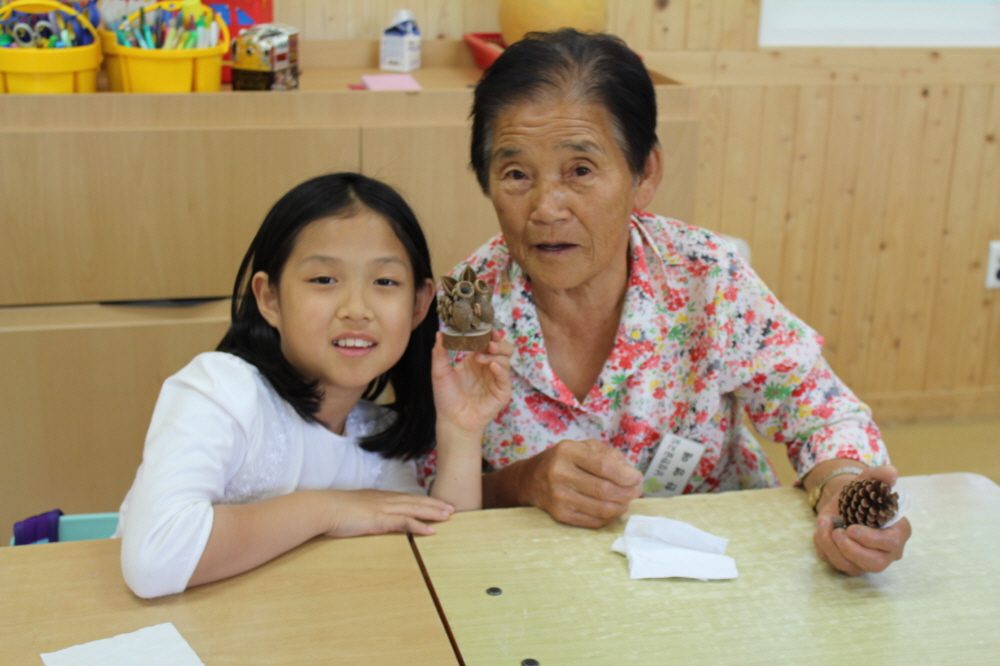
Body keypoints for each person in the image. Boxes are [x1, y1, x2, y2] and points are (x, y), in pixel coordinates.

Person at [425, 29, 910, 576]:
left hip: (717, 569)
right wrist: (522, 482)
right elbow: (424, 489)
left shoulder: (706, 274)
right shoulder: (467, 303)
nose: (546, 207)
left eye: (580, 171)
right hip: (534, 581)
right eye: (515, 174)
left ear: (644, 174)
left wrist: (844, 490)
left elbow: (819, 413)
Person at [117, 173, 512, 599]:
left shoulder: (374, 439)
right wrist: (331, 509)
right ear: (269, 299)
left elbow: (445, 564)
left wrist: (461, 431)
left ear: (418, 304)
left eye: (385, 282)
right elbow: (154, 560)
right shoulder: (219, 388)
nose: (356, 309)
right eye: (324, 280)